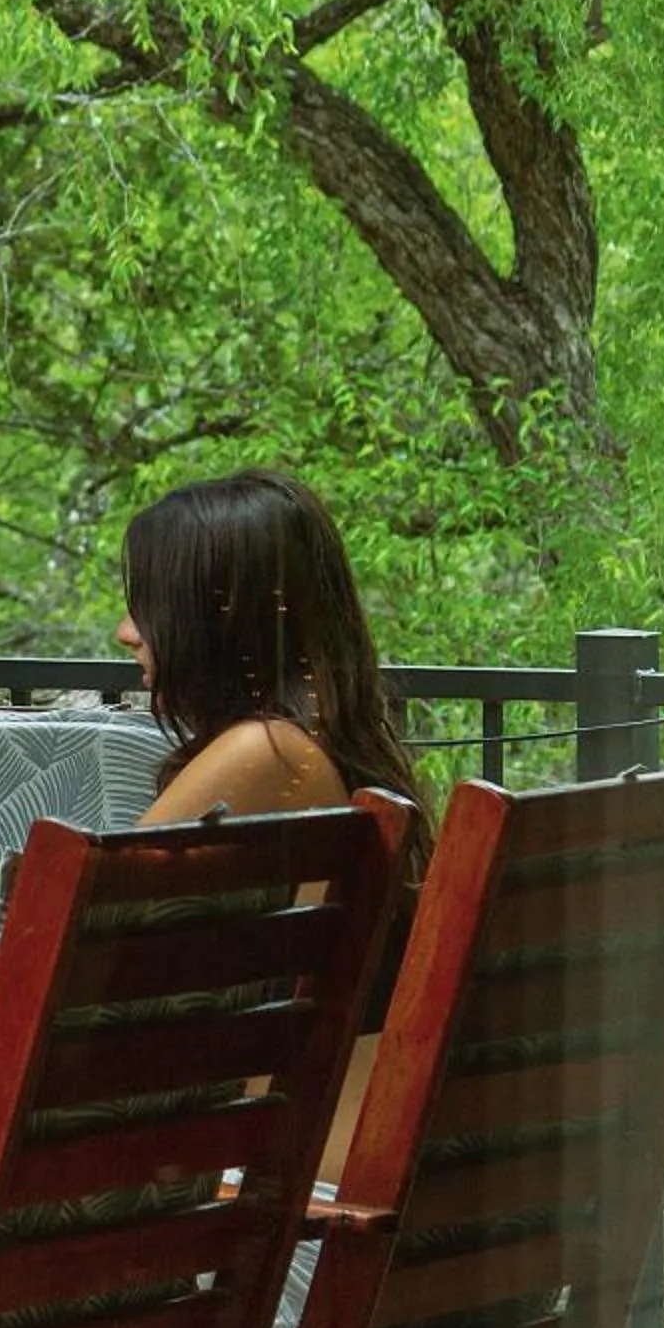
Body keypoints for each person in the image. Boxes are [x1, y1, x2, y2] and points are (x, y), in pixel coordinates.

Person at [113, 466, 432, 1174]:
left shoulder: (269, 754)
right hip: (349, 1164)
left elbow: (84, 959)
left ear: (218, 618)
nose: (126, 632)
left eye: (150, 605)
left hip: (292, 1181)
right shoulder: (327, 748)